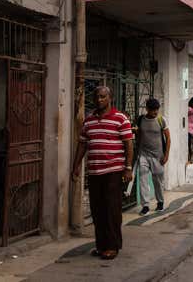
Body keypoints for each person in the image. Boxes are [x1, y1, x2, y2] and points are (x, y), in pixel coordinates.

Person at [71, 86, 134, 260]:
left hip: (113, 171)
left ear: (110, 98)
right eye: (97, 97)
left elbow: (129, 144)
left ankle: (112, 246)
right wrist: (75, 165)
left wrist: (128, 168)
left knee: (111, 209)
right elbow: (82, 144)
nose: (99, 100)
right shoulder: (89, 120)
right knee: (97, 210)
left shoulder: (121, 119)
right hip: (94, 172)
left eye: (103, 97)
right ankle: (101, 245)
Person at [134, 98, 170, 215]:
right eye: (153, 110)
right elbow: (138, 137)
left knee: (158, 181)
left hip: (158, 156)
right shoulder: (140, 120)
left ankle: (160, 203)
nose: (155, 112)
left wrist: (166, 155)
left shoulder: (161, 120)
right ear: (147, 109)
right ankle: (145, 206)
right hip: (143, 155)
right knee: (143, 180)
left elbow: (168, 138)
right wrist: (137, 153)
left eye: (157, 109)